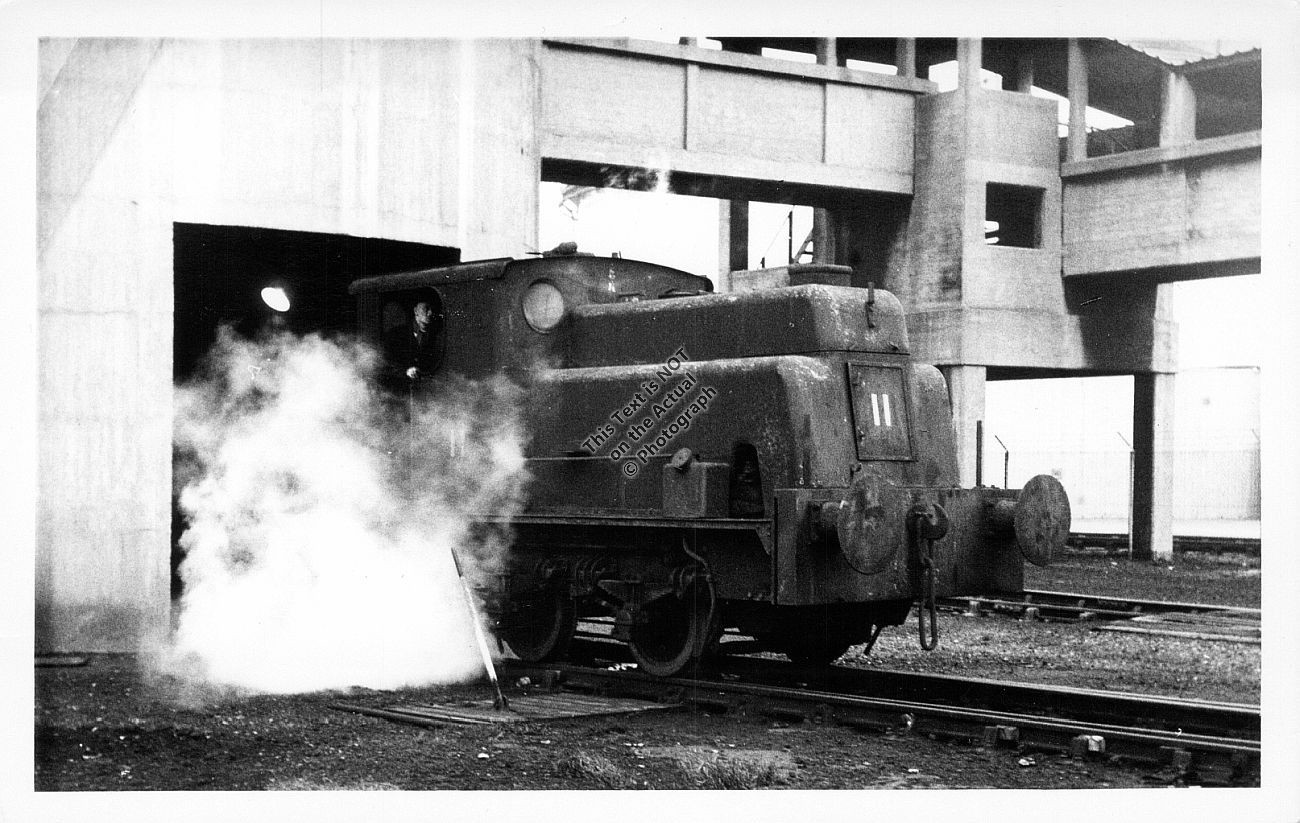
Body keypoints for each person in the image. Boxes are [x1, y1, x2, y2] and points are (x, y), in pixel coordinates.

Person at [383, 300, 442, 389]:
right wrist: (405, 371)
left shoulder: (438, 336)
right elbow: (387, 361)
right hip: (401, 390)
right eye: (426, 308)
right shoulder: (396, 334)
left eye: (432, 310)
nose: (430, 313)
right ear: (415, 311)